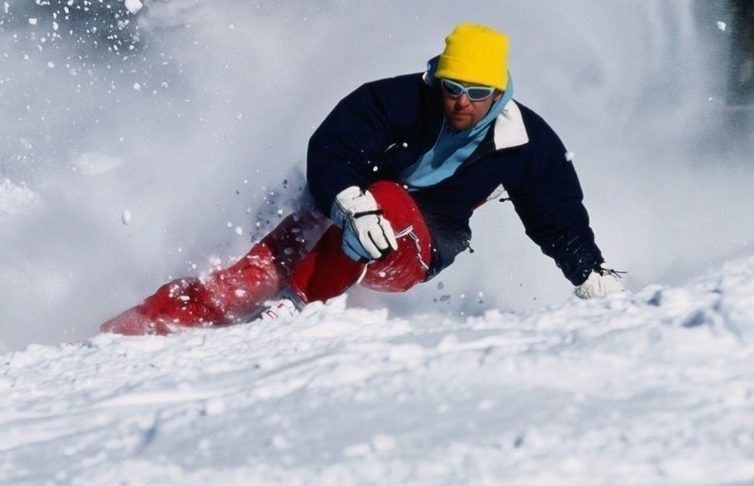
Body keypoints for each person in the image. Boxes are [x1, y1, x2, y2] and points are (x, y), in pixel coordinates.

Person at [101, 22, 624, 335]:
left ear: (500, 94)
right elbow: (333, 147)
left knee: (389, 199)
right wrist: (347, 200)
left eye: (478, 92)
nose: (463, 102)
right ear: (436, 78)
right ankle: (129, 333)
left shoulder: (527, 143)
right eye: (452, 87)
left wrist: (589, 272)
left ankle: (297, 306)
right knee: (243, 276)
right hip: (345, 210)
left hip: (420, 242)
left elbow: (555, 214)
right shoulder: (397, 99)